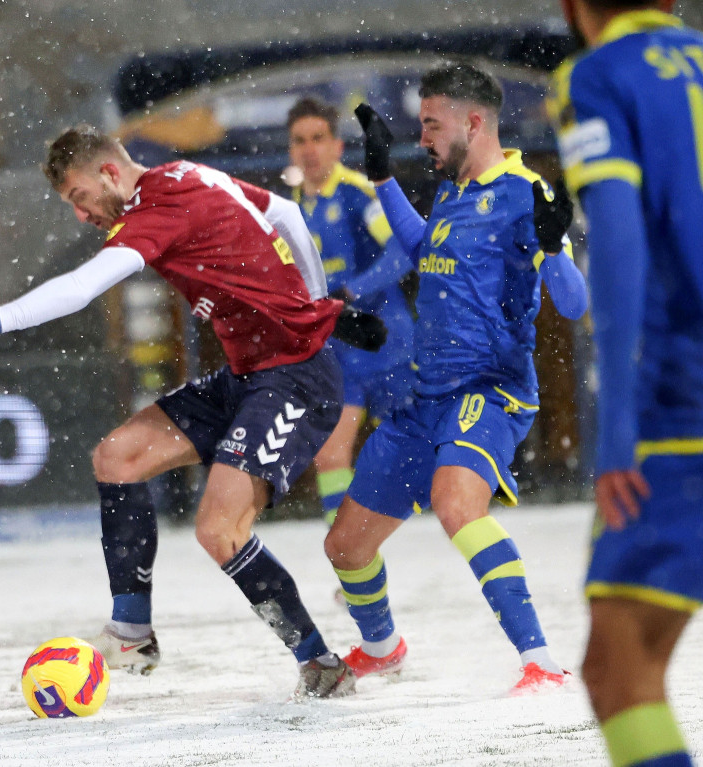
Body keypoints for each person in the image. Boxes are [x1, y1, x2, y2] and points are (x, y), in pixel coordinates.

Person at [0, 124, 389, 699]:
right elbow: (286, 211)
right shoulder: (189, 173)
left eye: (79, 198)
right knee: (117, 456)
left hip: (294, 379)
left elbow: (81, 287)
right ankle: (132, 632)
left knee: (218, 529)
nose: (81, 215)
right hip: (246, 377)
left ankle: (321, 664)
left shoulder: (158, 208)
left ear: (109, 173)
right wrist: (317, 305)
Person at [323, 63, 591, 695]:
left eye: (432, 125)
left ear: (474, 122)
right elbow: (424, 248)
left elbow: (574, 305)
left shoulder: (526, 191)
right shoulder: (451, 188)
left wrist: (554, 249)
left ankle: (541, 662)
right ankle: (383, 648)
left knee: (455, 503)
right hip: (424, 393)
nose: (425, 139)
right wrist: (384, 177)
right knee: (346, 548)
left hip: (490, 390)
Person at [550, 1, 703, 764]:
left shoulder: (598, 75)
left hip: (684, 402)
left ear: (574, 8)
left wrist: (617, 432)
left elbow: (617, 249)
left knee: (621, 670)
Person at [286, 96, 417, 525]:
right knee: (329, 457)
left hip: (386, 345)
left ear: (337, 146)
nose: (310, 149)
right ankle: (351, 564)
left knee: (421, 462)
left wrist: (352, 291)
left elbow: (403, 253)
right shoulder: (289, 210)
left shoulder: (359, 193)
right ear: (291, 150)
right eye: (300, 140)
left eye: (318, 138)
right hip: (337, 354)